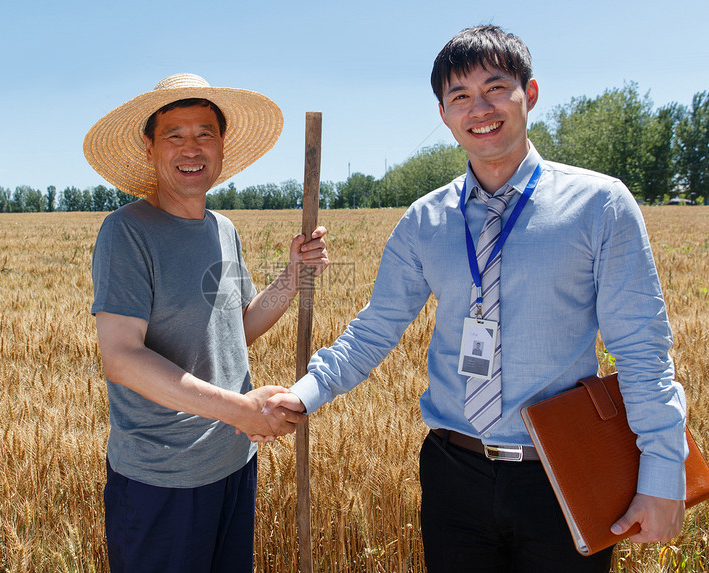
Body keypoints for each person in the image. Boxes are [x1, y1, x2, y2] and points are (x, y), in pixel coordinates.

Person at [262, 25, 687, 572]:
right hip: (452, 474)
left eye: (495, 88)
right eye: (459, 96)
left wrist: (662, 473)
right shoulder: (424, 221)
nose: (478, 109)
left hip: (562, 476)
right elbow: (375, 328)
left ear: (528, 95)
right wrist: (304, 394)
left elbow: (641, 349)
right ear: (444, 114)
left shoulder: (599, 205)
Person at [84, 73, 328, 573]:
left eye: (204, 133)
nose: (190, 148)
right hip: (163, 480)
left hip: (233, 463)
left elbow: (236, 328)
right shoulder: (127, 232)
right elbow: (122, 359)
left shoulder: (223, 229)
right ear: (150, 147)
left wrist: (293, 274)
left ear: (221, 146)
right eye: (174, 134)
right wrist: (241, 410)